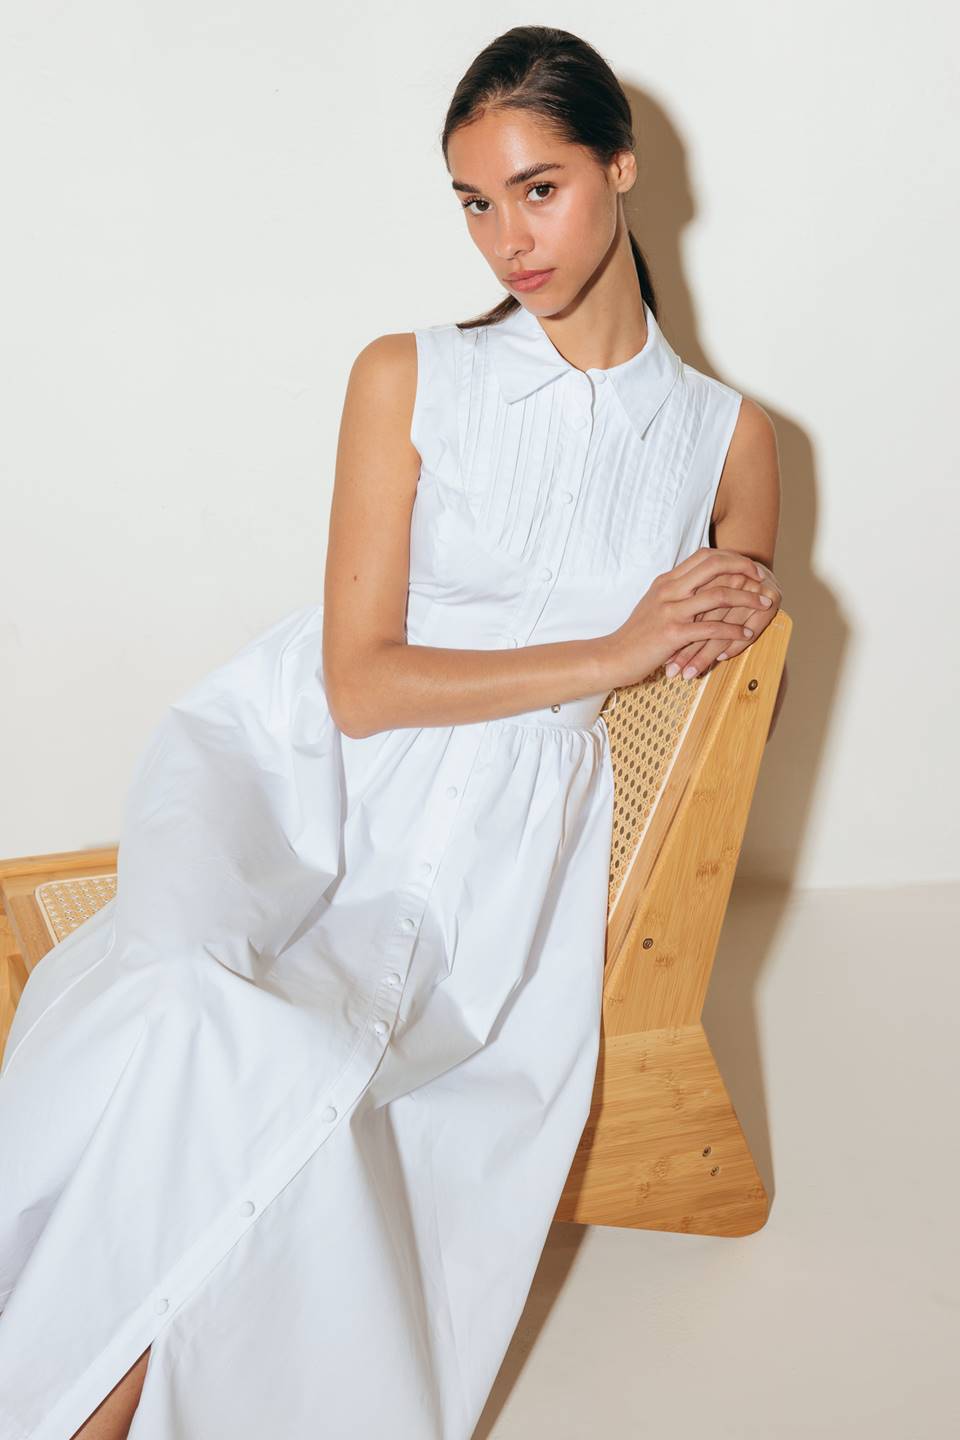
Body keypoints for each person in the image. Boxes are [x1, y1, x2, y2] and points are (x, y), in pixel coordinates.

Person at [0, 23, 782, 1440]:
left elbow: (727, 661)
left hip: (501, 856)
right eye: (476, 203)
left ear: (621, 165)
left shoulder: (729, 442)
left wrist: (722, 623)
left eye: (538, 189)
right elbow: (358, 683)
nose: (507, 240)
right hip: (302, 780)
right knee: (180, 1006)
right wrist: (615, 649)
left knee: (299, 1069)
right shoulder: (408, 374)